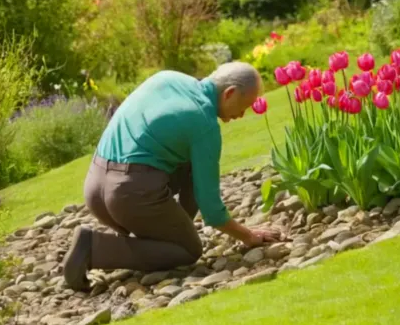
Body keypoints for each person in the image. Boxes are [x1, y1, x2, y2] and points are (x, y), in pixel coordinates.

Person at [62, 62, 280, 291]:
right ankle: (93, 248)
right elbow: (212, 211)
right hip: (129, 196)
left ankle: (168, 231)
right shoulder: (204, 124)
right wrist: (248, 236)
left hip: (95, 187)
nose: (242, 115)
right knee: (188, 250)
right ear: (229, 93)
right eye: (243, 107)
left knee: (189, 166)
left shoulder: (166, 78)